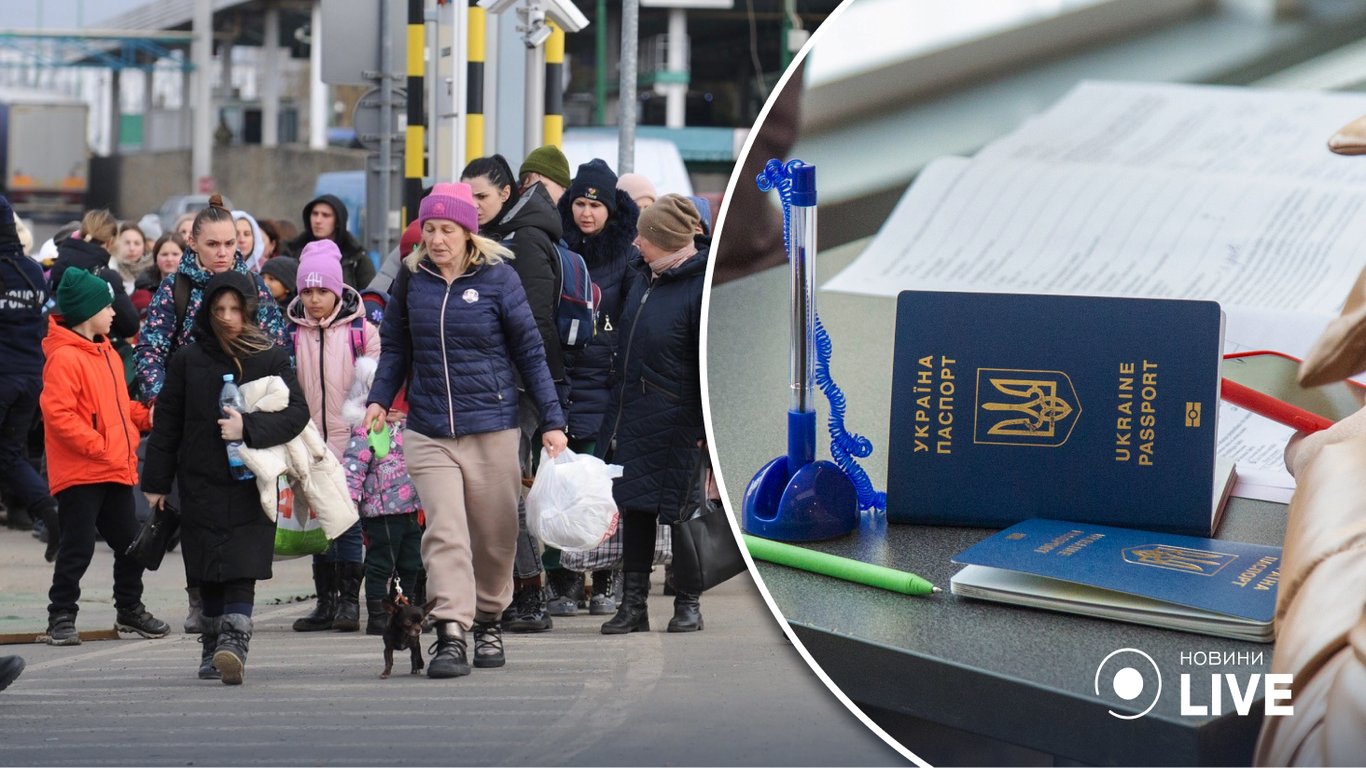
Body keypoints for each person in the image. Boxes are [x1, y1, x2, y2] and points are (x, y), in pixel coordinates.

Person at [364, 182, 568, 678]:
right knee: (446, 531)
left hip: (493, 426)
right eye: (429, 229)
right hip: (429, 429)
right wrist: (377, 399)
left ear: (468, 232)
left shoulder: (500, 279)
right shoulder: (413, 281)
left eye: (447, 229)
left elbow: (531, 353)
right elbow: (395, 350)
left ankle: (490, 619)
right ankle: (451, 632)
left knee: (496, 536)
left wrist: (553, 420)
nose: (436, 239)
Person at [142, 271, 311, 685]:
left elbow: (296, 413)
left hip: (251, 481)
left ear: (249, 310)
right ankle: (212, 644)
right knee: (204, 567)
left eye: (236, 309)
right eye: (220, 309)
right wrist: (156, 483)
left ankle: (234, 642)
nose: (228, 317)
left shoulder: (268, 356)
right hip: (198, 479)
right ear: (208, 311)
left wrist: (247, 429)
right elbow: (167, 423)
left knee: (241, 566)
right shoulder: (188, 359)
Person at [135, 194, 287, 635]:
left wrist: (270, 404)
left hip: (246, 422)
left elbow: (277, 346)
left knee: (243, 515)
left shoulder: (252, 286)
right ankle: (200, 599)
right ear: (194, 245)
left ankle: (236, 607)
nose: (223, 253)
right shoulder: (176, 286)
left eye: (230, 245)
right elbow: (151, 348)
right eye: (213, 245)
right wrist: (165, 399)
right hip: (192, 425)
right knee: (196, 516)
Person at [462, 154, 565, 633]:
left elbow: (535, 326)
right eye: (469, 197)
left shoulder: (522, 238)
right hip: (490, 384)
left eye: (482, 196)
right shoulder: (499, 235)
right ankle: (514, 590)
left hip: (516, 387)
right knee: (494, 490)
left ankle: (530, 592)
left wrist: (541, 404)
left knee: (508, 492)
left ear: (507, 194)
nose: (475, 205)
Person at [598, 194, 709, 635]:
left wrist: (702, 427)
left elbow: (706, 363)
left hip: (679, 420)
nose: (637, 241)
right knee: (636, 510)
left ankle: (688, 604)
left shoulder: (698, 286)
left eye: (645, 235)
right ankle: (633, 606)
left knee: (682, 515)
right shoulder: (644, 277)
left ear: (664, 239)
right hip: (636, 413)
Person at [41, 268, 169, 646]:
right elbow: (59, 413)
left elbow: (116, 407)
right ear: (87, 311)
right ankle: (61, 615)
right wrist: (98, 445)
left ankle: (129, 608)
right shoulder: (65, 357)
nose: (115, 312)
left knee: (132, 543)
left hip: (112, 467)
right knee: (77, 546)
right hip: (83, 471)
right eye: (107, 305)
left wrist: (145, 416)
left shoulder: (107, 351)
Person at [554, 159, 642, 615]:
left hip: (608, 383)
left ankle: (605, 581)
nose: (587, 212)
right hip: (568, 379)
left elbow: (632, 321)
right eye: (580, 203)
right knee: (566, 485)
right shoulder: (558, 248)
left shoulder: (627, 255)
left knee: (605, 486)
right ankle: (565, 582)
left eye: (595, 204)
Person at [286, 241, 380, 633]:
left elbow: (377, 388)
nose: (313, 299)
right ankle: (325, 602)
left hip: (353, 442)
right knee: (320, 523)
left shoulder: (363, 332)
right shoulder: (291, 334)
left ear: (338, 289)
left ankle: (347, 603)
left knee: (347, 523)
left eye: (321, 290)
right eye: (306, 291)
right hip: (308, 441)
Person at [341, 359, 423, 636]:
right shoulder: (367, 429)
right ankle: (378, 614)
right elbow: (353, 466)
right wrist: (350, 501)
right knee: (380, 564)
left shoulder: (413, 426)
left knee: (411, 562)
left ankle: (405, 609)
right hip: (381, 509)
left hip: (411, 508)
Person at [0, 195, 60, 561]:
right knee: (8, 456)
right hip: (29, 380)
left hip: (4, 376)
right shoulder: (34, 270)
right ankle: (48, 511)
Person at [49, 209, 141, 343]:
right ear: (111, 240)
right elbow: (130, 325)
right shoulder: (106, 276)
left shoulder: (59, 264)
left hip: (58, 340)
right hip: (92, 347)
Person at [287, 195, 376, 290]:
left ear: (338, 221)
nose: (318, 220)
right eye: (314, 214)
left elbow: (369, 295)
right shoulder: (293, 251)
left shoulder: (357, 258)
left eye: (325, 215)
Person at [132, 232, 187, 319]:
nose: (169, 259)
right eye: (164, 254)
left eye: (175, 254)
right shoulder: (143, 285)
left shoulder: (192, 285)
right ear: (156, 257)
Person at [113, 222, 149, 296]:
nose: (132, 248)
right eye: (127, 243)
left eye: (137, 243)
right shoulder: (111, 269)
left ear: (144, 247)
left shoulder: (153, 271)